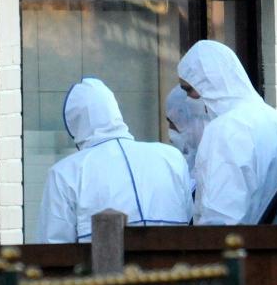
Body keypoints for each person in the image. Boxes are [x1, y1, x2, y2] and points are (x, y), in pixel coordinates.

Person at [36, 77, 192, 243]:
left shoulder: (65, 173)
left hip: (102, 267)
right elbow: (191, 219)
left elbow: (53, 244)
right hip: (171, 266)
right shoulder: (171, 157)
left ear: (74, 124)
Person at [178, 40, 277, 225]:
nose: (187, 98)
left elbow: (220, 218)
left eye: (188, 89)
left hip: (245, 249)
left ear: (208, 85)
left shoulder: (226, 130)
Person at [165, 84, 210, 176]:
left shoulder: (226, 162)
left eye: (178, 123)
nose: (171, 136)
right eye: (171, 124)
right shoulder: (185, 167)